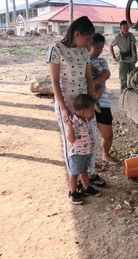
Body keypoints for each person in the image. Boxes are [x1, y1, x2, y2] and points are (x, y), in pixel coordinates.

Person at [47, 16, 104, 196]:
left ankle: (86, 177)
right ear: (77, 33)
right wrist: (64, 108)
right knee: (71, 144)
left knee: (90, 139)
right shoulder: (56, 50)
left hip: (86, 105)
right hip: (68, 105)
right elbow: (55, 82)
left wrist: (92, 104)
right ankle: (74, 182)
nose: (89, 43)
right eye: (87, 38)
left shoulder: (83, 52)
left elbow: (89, 79)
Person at [64, 94, 101, 204]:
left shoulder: (85, 119)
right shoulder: (74, 123)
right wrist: (69, 127)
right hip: (77, 153)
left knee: (84, 170)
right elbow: (71, 139)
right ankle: (73, 192)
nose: (92, 113)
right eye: (91, 110)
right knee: (74, 173)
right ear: (83, 112)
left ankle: (87, 187)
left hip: (86, 152)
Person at [89, 33, 118, 165]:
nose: (99, 51)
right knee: (89, 135)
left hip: (102, 103)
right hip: (87, 102)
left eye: (101, 49)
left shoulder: (102, 61)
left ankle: (105, 154)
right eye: (96, 48)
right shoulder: (82, 60)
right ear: (89, 45)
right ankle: (91, 162)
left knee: (108, 135)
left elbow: (106, 75)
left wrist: (92, 83)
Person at [110, 20, 138, 92]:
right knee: (123, 78)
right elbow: (111, 46)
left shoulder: (131, 35)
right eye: (124, 27)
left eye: (127, 27)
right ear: (121, 28)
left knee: (133, 77)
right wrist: (114, 57)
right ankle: (123, 94)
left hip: (131, 60)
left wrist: (136, 56)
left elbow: (134, 45)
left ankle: (132, 92)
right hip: (123, 61)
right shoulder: (118, 36)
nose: (126, 28)